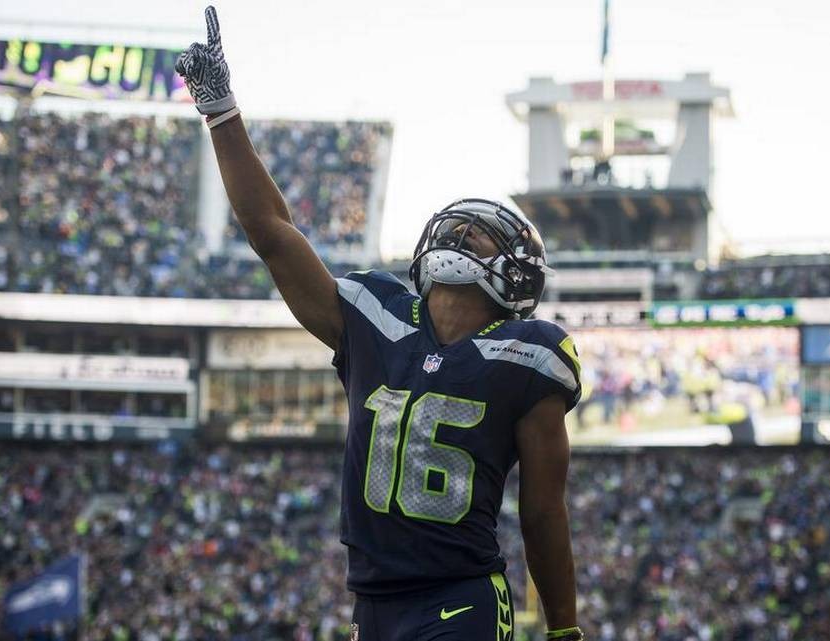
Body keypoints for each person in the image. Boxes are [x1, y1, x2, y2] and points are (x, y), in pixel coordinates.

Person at [176, 8, 584, 640]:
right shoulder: (375, 314)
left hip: (462, 597)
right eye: (455, 226)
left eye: (480, 234)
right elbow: (273, 235)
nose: (460, 235)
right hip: (371, 604)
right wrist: (220, 111)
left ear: (516, 276)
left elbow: (542, 508)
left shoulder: (529, 354)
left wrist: (563, 628)